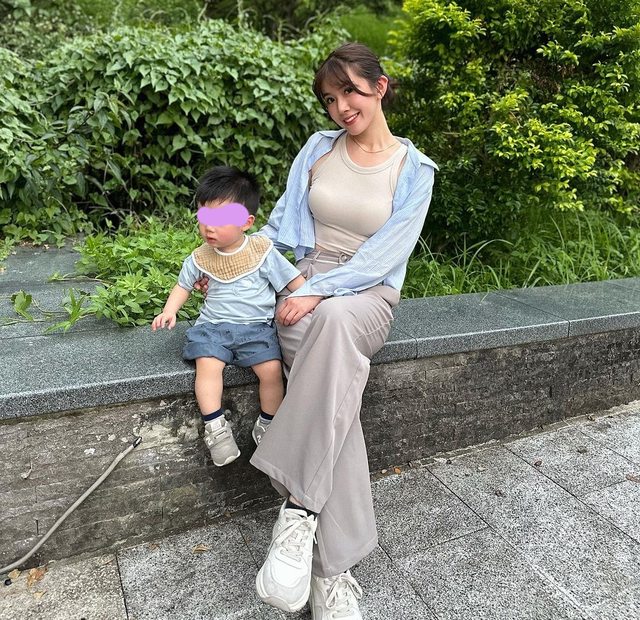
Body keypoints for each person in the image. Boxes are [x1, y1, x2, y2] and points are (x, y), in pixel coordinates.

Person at [152, 166, 305, 467]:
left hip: (256, 330)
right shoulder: (200, 257)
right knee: (207, 367)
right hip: (213, 328)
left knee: (271, 371)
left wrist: (311, 298)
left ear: (246, 222)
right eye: (204, 218)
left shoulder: (262, 252)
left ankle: (269, 423)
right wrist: (169, 310)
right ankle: (216, 427)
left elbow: (293, 280)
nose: (209, 228)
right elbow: (183, 286)